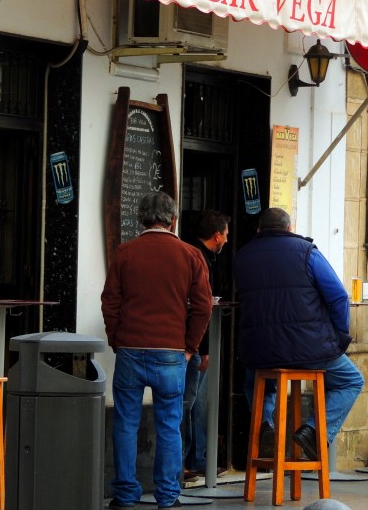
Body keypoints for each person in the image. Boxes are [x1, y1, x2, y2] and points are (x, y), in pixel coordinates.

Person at [102, 191, 213, 510]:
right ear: (173, 219)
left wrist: (116, 338)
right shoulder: (191, 254)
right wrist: (190, 346)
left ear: (141, 218)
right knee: (169, 424)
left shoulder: (125, 252)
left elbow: (110, 300)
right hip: (171, 352)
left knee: (125, 422)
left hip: (131, 350)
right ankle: (167, 495)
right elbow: (203, 307)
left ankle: (125, 494)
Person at [234, 207, 363, 463]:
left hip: (260, 350)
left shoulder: (242, 256)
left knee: (256, 380)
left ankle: (265, 428)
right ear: (290, 228)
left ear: (258, 230)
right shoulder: (306, 252)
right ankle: (313, 431)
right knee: (352, 381)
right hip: (309, 348)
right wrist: (339, 336)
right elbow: (338, 296)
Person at [181, 210, 230, 480]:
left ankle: (195, 459)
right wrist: (203, 348)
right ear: (217, 235)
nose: (226, 241)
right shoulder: (201, 259)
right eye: (225, 235)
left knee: (195, 402)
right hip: (195, 343)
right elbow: (203, 307)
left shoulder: (195, 254)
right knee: (191, 402)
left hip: (192, 343)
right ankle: (189, 462)